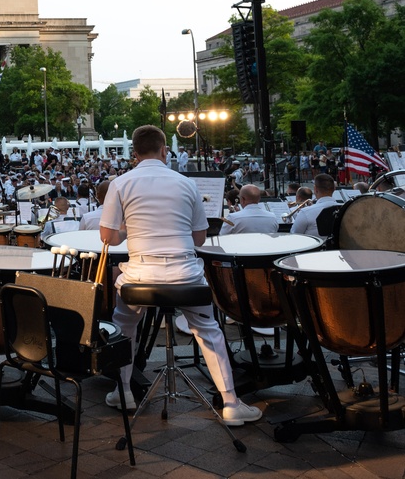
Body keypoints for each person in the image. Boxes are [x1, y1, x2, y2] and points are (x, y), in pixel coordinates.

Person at [99, 125, 262, 426]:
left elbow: (108, 237)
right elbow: (199, 239)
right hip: (185, 273)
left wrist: (129, 229)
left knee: (124, 325)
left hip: (140, 276)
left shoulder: (120, 184)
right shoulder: (186, 183)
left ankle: (123, 392)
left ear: (133, 153)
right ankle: (230, 403)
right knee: (209, 329)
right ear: (165, 150)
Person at [291, 174, 340, 238]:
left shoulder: (305, 212)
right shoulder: (345, 209)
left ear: (315, 189)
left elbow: (294, 236)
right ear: (334, 189)